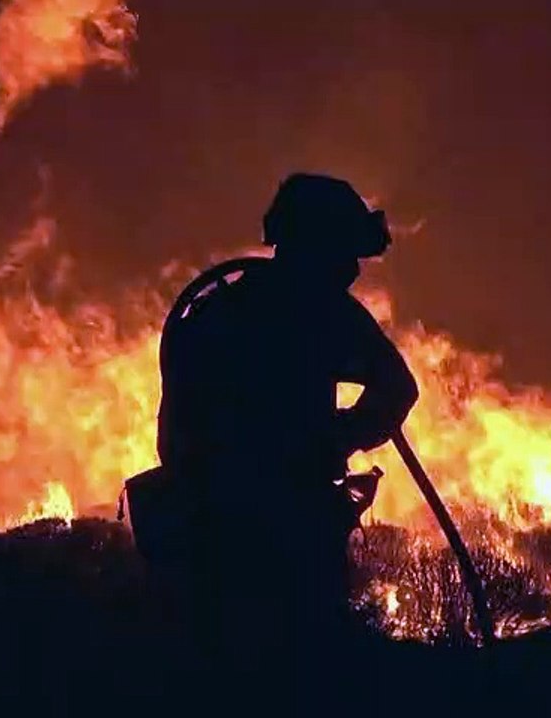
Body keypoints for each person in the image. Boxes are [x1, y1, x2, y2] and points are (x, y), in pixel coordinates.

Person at [155, 173, 418, 705]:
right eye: (344, 253)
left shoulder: (218, 312)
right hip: (283, 539)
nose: (352, 269)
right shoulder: (322, 314)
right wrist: (338, 439)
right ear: (315, 246)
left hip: (208, 542)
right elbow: (396, 387)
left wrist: (330, 440)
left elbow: (174, 435)